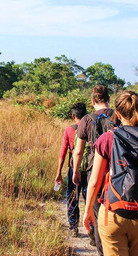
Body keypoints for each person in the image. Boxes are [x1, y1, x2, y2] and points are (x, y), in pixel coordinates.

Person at [83, 91, 138, 256]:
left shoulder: (107, 139)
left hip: (112, 213)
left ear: (117, 113)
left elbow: (95, 181)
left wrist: (88, 210)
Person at [72, 85, 113, 255]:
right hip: (115, 171)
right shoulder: (117, 116)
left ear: (92, 101)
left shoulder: (86, 120)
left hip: (94, 171)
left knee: (97, 215)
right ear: (109, 99)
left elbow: (79, 151)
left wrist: (75, 171)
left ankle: (102, 251)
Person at [54, 102, 88, 238]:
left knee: (72, 196)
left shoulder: (69, 130)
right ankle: (91, 228)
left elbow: (63, 152)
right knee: (88, 197)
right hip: (89, 168)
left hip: (73, 167)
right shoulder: (91, 127)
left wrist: (58, 173)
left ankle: (73, 226)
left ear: (73, 115)